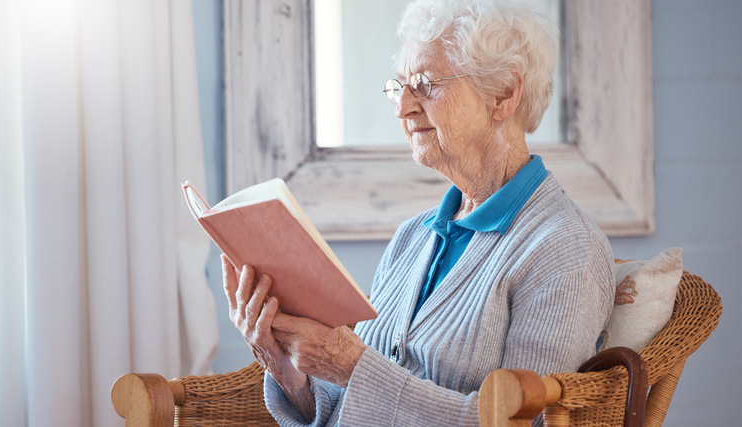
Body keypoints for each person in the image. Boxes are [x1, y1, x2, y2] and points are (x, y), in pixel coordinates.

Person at [221, 0, 616, 425]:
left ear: (504, 92)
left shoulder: (566, 250)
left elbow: (523, 422)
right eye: (400, 85)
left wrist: (352, 365)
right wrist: (287, 369)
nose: (402, 107)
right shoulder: (412, 237)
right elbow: (345, 404)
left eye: (425, 83)